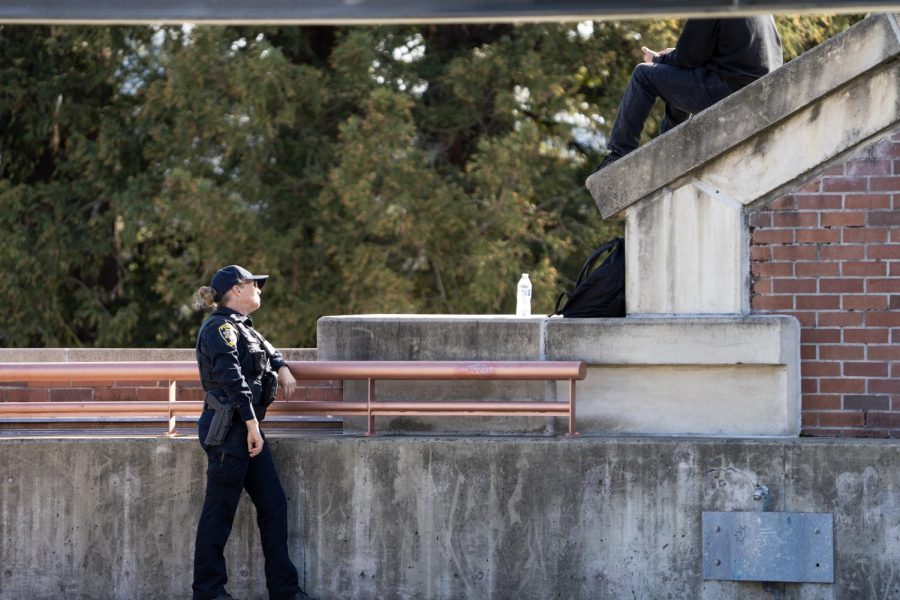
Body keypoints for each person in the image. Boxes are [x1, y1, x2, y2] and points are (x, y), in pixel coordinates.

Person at [192, 264, 312, 600]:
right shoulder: (219, 328)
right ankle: (208, 592)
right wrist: (251, 425)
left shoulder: (241, 327)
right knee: (219, 514)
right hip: (232, 430)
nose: (260, 288)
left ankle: (284, 590)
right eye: (254, 284)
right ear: (237, 290)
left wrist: (282, 366)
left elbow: (265, 349)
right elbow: (232, 381)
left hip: (245, 431)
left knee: (273, 504)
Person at [598, 17, 783, 169]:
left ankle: (617, 155)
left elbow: (688, 58)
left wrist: (658, 58)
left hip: (730, 90)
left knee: (643, 74)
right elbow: (704, 54)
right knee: (677, 74)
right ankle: (670, 152)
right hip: (764, 90)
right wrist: (671, 57)